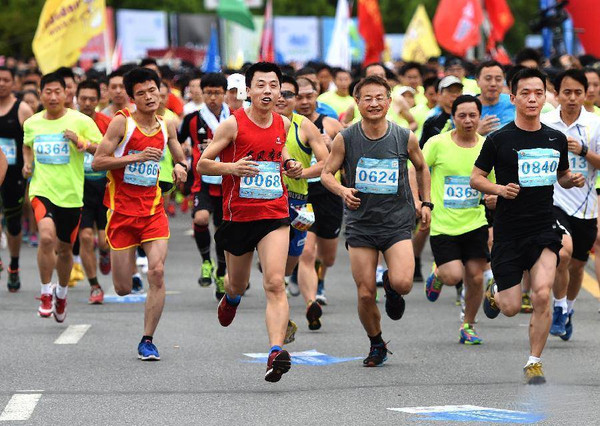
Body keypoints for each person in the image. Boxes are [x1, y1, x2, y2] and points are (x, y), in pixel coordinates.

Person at [471, 67, 585, 384]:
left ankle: (534, 361)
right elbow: (476, 178)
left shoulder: (555, 138)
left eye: (538, 92)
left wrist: (571, 179)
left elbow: (561, 174)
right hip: (508, 231)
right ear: (514, 97)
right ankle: (495, 294)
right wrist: (498, 190)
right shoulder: (498, 139)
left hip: (544, 227)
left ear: (543, 96)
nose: (532, 98)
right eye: (525, 93)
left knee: (541, 295)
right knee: (509, 307)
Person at [198, 62, 303, 382]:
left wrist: (290, 163)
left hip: (274, 213)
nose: (268, 91)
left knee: (274, 282)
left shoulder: (283, 124)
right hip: (238, 216)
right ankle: (231, 298)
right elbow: (203, 164)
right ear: (249, 91)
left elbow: (278, 152)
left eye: (274, 86)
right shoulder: (232, 125)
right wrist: (232, 169)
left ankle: (275, 351)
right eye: (261, 85)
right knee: (238, 283)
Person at [321, 75, 431, 367]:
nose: (373, 103)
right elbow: (326, 174)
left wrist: (426, 202)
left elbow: (421, 167)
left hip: (396, 221)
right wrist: (343, 190)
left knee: (404, 283)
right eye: (367, 98)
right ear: (356, 103)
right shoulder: (346, 138)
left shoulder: (403, 136)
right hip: (362, 223)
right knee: (366, 292)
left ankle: (392, 288)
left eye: (379, 98)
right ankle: (376, 342)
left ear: (389, 101)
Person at [92, 68, 187, 360]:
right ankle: (111, 256)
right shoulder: (122, 123)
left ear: (161, 92)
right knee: (121, 289)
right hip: (121, 213)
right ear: (132, 98)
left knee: (157, 272)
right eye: (141, 93)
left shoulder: (167, 124)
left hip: (152, 211)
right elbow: (98, 162)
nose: (149, 97)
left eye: (153, 91)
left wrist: (181, 166)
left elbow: (178, 153)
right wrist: (136, 156)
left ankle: (147, 339)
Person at [23, 72, 102, 322]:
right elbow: (27, 145)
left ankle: (62, 293)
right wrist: (28, 164)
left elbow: (102, 150)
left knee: (66, 250)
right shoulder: (33, 123)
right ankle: (46, 292)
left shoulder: (81, 121)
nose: (54, 96)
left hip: (70, 196)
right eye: (49, 92)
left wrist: (81, 141)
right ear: (41, 94)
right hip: (41, 190)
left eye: (59, 92)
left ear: (67, 94)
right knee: (46, 237)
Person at [423, 95, 491, 344]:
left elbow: (491, 181)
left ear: (479, 117)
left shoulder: (487, 145)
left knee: (475, 276)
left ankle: (468, 325)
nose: (468, 120)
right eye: (461, 115)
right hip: (444, 223)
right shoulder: (437, 143)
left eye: (473, 115)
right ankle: (439, 275)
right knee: (454, 275)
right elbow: (417, 168)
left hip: (475, 221)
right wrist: (424, 202)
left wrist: (493, 196)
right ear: (453, 118)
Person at [541, 69, 600, 340]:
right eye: (567, 92)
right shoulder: (546, 122)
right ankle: (560, 306)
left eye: (578, 92)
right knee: (563, 254)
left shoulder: (595, 124)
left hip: (585, 206)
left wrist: (584, 151)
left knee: (577, 266)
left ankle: (569, 309)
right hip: (553, 201)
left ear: (585, 93)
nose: (572, 98)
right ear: (557, 94)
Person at [273, 75, 328, 330]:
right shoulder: (255, 123)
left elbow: (327, 163)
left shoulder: (305, 125)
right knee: (275, 264)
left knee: (301, 255)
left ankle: (309, 302)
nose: (282, 98)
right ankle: (283, 314)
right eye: (278, 93)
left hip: (300, 201)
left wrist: (302, 173)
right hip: (267, 202)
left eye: (288, 94)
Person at [179, 72, 230, 298]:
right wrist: (185, 152)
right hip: (202, 180)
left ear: (225, 94)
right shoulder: (192, 119)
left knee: (221, 230)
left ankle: (221, 272)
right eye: (208, 93)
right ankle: (206, 262)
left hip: (227, 181)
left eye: (217, 93)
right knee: (200, 219)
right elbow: (180, 141)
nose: (212, 98)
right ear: (201, 93)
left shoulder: (234, 118)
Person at [295, 77, 344, 305]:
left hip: (329, 195)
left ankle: (319, 277)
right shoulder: (287, 125)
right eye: (299, 96)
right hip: (303, 196)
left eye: (309, 96)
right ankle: (311, 302)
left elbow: (349, 156)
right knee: (307, 251)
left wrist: (332, 143)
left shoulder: (331, 124)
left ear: (317, 96)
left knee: (328, 256)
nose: (304, 101)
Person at [76, 79, 112, 304]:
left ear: (99, 100)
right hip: (79, 188)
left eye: (92, 99)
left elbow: (115, 152)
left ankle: (105, 253)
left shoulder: (109, 123)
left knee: (104, 240)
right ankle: (94, 286)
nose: (87, 103)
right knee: (86, 238)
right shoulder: (69, 122)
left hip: (106, 187)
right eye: (83, 99)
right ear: (76, 99)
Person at [0, 66, 34, 291]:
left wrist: (29, 165)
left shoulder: (22, 109)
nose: (1, 83)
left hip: (14, 174)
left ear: (14, 83)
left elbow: (31, 141)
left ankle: (13, 264)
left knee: (13, 224)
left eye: (5, 80)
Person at [476, 61, 515, 136]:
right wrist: (477, 133)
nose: (493, 84)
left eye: (498, 79)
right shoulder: (467, 107)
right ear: (477, 81)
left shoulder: (514, 102)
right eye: (488, 79)